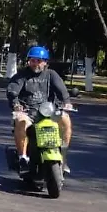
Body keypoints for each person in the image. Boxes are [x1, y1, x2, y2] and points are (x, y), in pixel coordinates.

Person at [6, 45, 73, 173]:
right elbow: (12, 91)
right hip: (28, 112)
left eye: (39, 61)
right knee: (21, 121)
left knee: (66, 119)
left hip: (49, 112)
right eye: (33, 60)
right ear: (29, 61)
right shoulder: (21, 75)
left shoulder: (51, 74)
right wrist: (16, 105)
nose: (35, 63)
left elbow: (62, 91)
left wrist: (67, 102)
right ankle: (23, 158)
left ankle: (63, 156)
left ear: (45, 62)